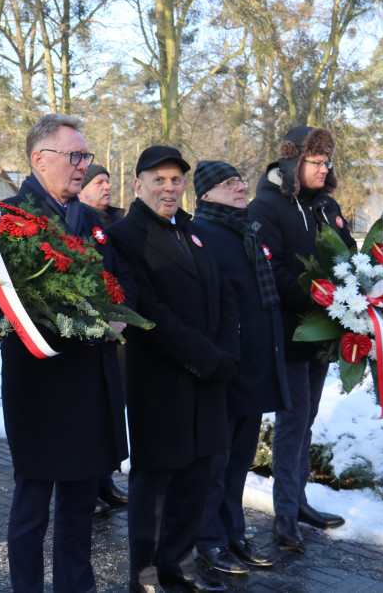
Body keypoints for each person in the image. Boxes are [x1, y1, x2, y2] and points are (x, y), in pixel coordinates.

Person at [1, 114, 130, 593]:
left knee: (79, 507)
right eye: (73, 156)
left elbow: (119, 280)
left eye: (85, 157)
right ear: (40, 159)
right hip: (42, 385)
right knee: (33, 506)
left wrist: (120, 312)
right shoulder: (10, 218)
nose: (82, 167)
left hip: (93, 383)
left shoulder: (92, 220)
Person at [109, 146, 240, 593]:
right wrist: (208, 357)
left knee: (197, 481)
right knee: (157, 488)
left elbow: (224, 296)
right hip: (161, 380)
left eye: (176, 180)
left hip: (207, 379)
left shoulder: (193, 231)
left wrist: (226, 355)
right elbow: (148, 311)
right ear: (138, 183)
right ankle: (145, 576)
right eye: (159, 180)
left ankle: (178, 569)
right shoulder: (125, 237)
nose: (169, 188)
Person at [248, 126, 354, 551]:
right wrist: (324, 301)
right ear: (293, 163)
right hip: (288, 333)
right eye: (315, 162)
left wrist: (355, 298)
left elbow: (349, 257)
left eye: (326, 162)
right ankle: (285, 516)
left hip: (322, 333)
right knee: (293, 423)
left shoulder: (327, 206)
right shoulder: (267, 205)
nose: (323, 169)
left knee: (306, 421)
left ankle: (299, 500)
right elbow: (271, 271)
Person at [192, 161, 290, 573]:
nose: (240, 187)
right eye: (229, 183)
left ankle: (234, 534)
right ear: (206, 194)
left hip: (255, 365)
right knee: (216, 462)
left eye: (240, 181)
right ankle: (208, 539)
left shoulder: (244, 229)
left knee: (238, 464)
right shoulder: (204, 234)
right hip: (229, 368)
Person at [79, 161, 132, 513]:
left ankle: (105, 480)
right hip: (85, 335)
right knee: (90, 411)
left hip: (117, 330)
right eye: (98, 182)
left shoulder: (118, 224)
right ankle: (89, 485)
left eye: (108, 182)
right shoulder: (78, 221)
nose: (107, 187)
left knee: (112, 407)